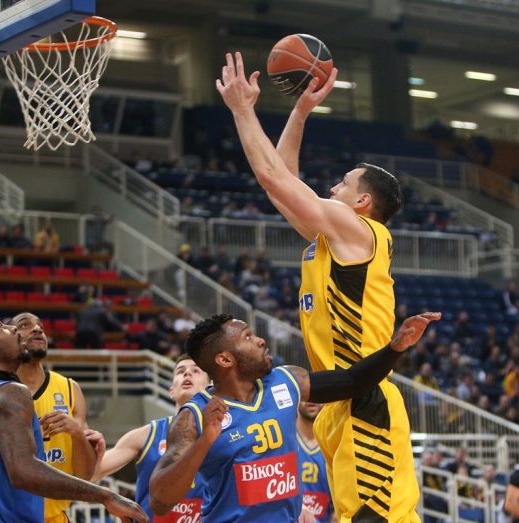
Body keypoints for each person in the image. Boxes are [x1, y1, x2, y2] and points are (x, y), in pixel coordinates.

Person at [216, 51, 416, 522]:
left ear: (362, 202)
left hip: (365, 396)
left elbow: (273, 177)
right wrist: (301, 111)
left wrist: (242, 110)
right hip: (336, 399)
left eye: (342, 185)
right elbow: (282, 182)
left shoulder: (360, 232)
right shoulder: (333, 240)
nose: (331, 189)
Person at [149, 311, 439, 522]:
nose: (260, 340)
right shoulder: (194, 416)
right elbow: (160, 500)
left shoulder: (285, 381)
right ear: (225, 359)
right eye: (248, 337)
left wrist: (395, 347)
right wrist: (205, 442)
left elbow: (351, 382)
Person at [0, 312, 147, 523]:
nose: (12, 328)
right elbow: (23, 472)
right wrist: (105, 496)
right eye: (0, 327)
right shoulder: (10, 392)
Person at [88, 355, 210, 521]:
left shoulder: (225, 434)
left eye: (196, 371)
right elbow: (90, 475)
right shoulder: (146, 435)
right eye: (180, 371)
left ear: (210, 389)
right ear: (171, 391)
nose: (187, 373)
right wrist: (94, 455)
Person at [13, 311, 98, 523]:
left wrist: (77, 434)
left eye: (40, 326)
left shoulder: (69, 389)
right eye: (25, 325)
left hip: (55, 517)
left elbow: (85, 475)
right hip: (9, 516)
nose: (37, 329)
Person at [297, 401, 334, 523]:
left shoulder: (335, 445)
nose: (312, 399)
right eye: (307, 394)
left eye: (317, 393)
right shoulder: (284, 442)